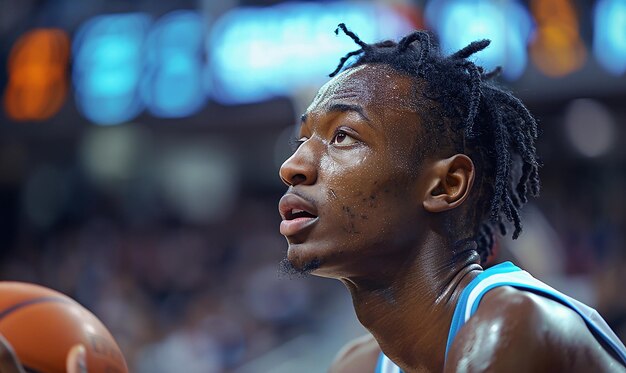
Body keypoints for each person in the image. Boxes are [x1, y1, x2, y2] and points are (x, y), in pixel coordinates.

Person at [277, 24, 626, 372]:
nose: (292, 167)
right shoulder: (357, 364)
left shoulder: (511, 326)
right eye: (301, 142)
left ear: (446, 185)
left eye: (342, 136)